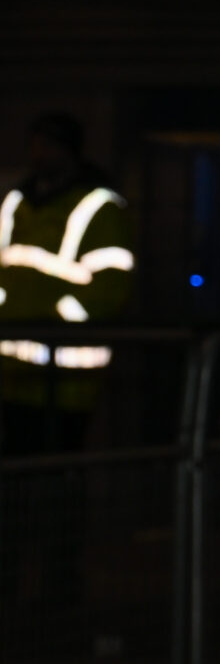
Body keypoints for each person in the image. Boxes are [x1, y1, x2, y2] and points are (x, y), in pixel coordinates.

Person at [0, 112, 134, 448]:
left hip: (68, 380)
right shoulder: (17, 202)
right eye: (34, 145)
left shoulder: (99, 206)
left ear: (69, 150)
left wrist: (59, 320)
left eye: (48, 145)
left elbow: (110, 284)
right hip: (11, 374)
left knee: (57, 471)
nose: (38, 154)